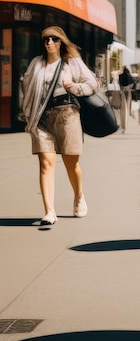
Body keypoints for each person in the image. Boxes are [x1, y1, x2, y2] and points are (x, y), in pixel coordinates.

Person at [20, 26, 99, 227]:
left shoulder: (71, 62)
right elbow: (26, 87)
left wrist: (75, 87)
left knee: (71, 164)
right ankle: (49, 211)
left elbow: (92, 83)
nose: (49, 43)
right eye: (46, 40)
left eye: (54, 39)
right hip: (42, 117)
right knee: (46, 163)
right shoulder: (37, 63)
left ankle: (79, 195)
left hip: (68, 115)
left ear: (61, 42)